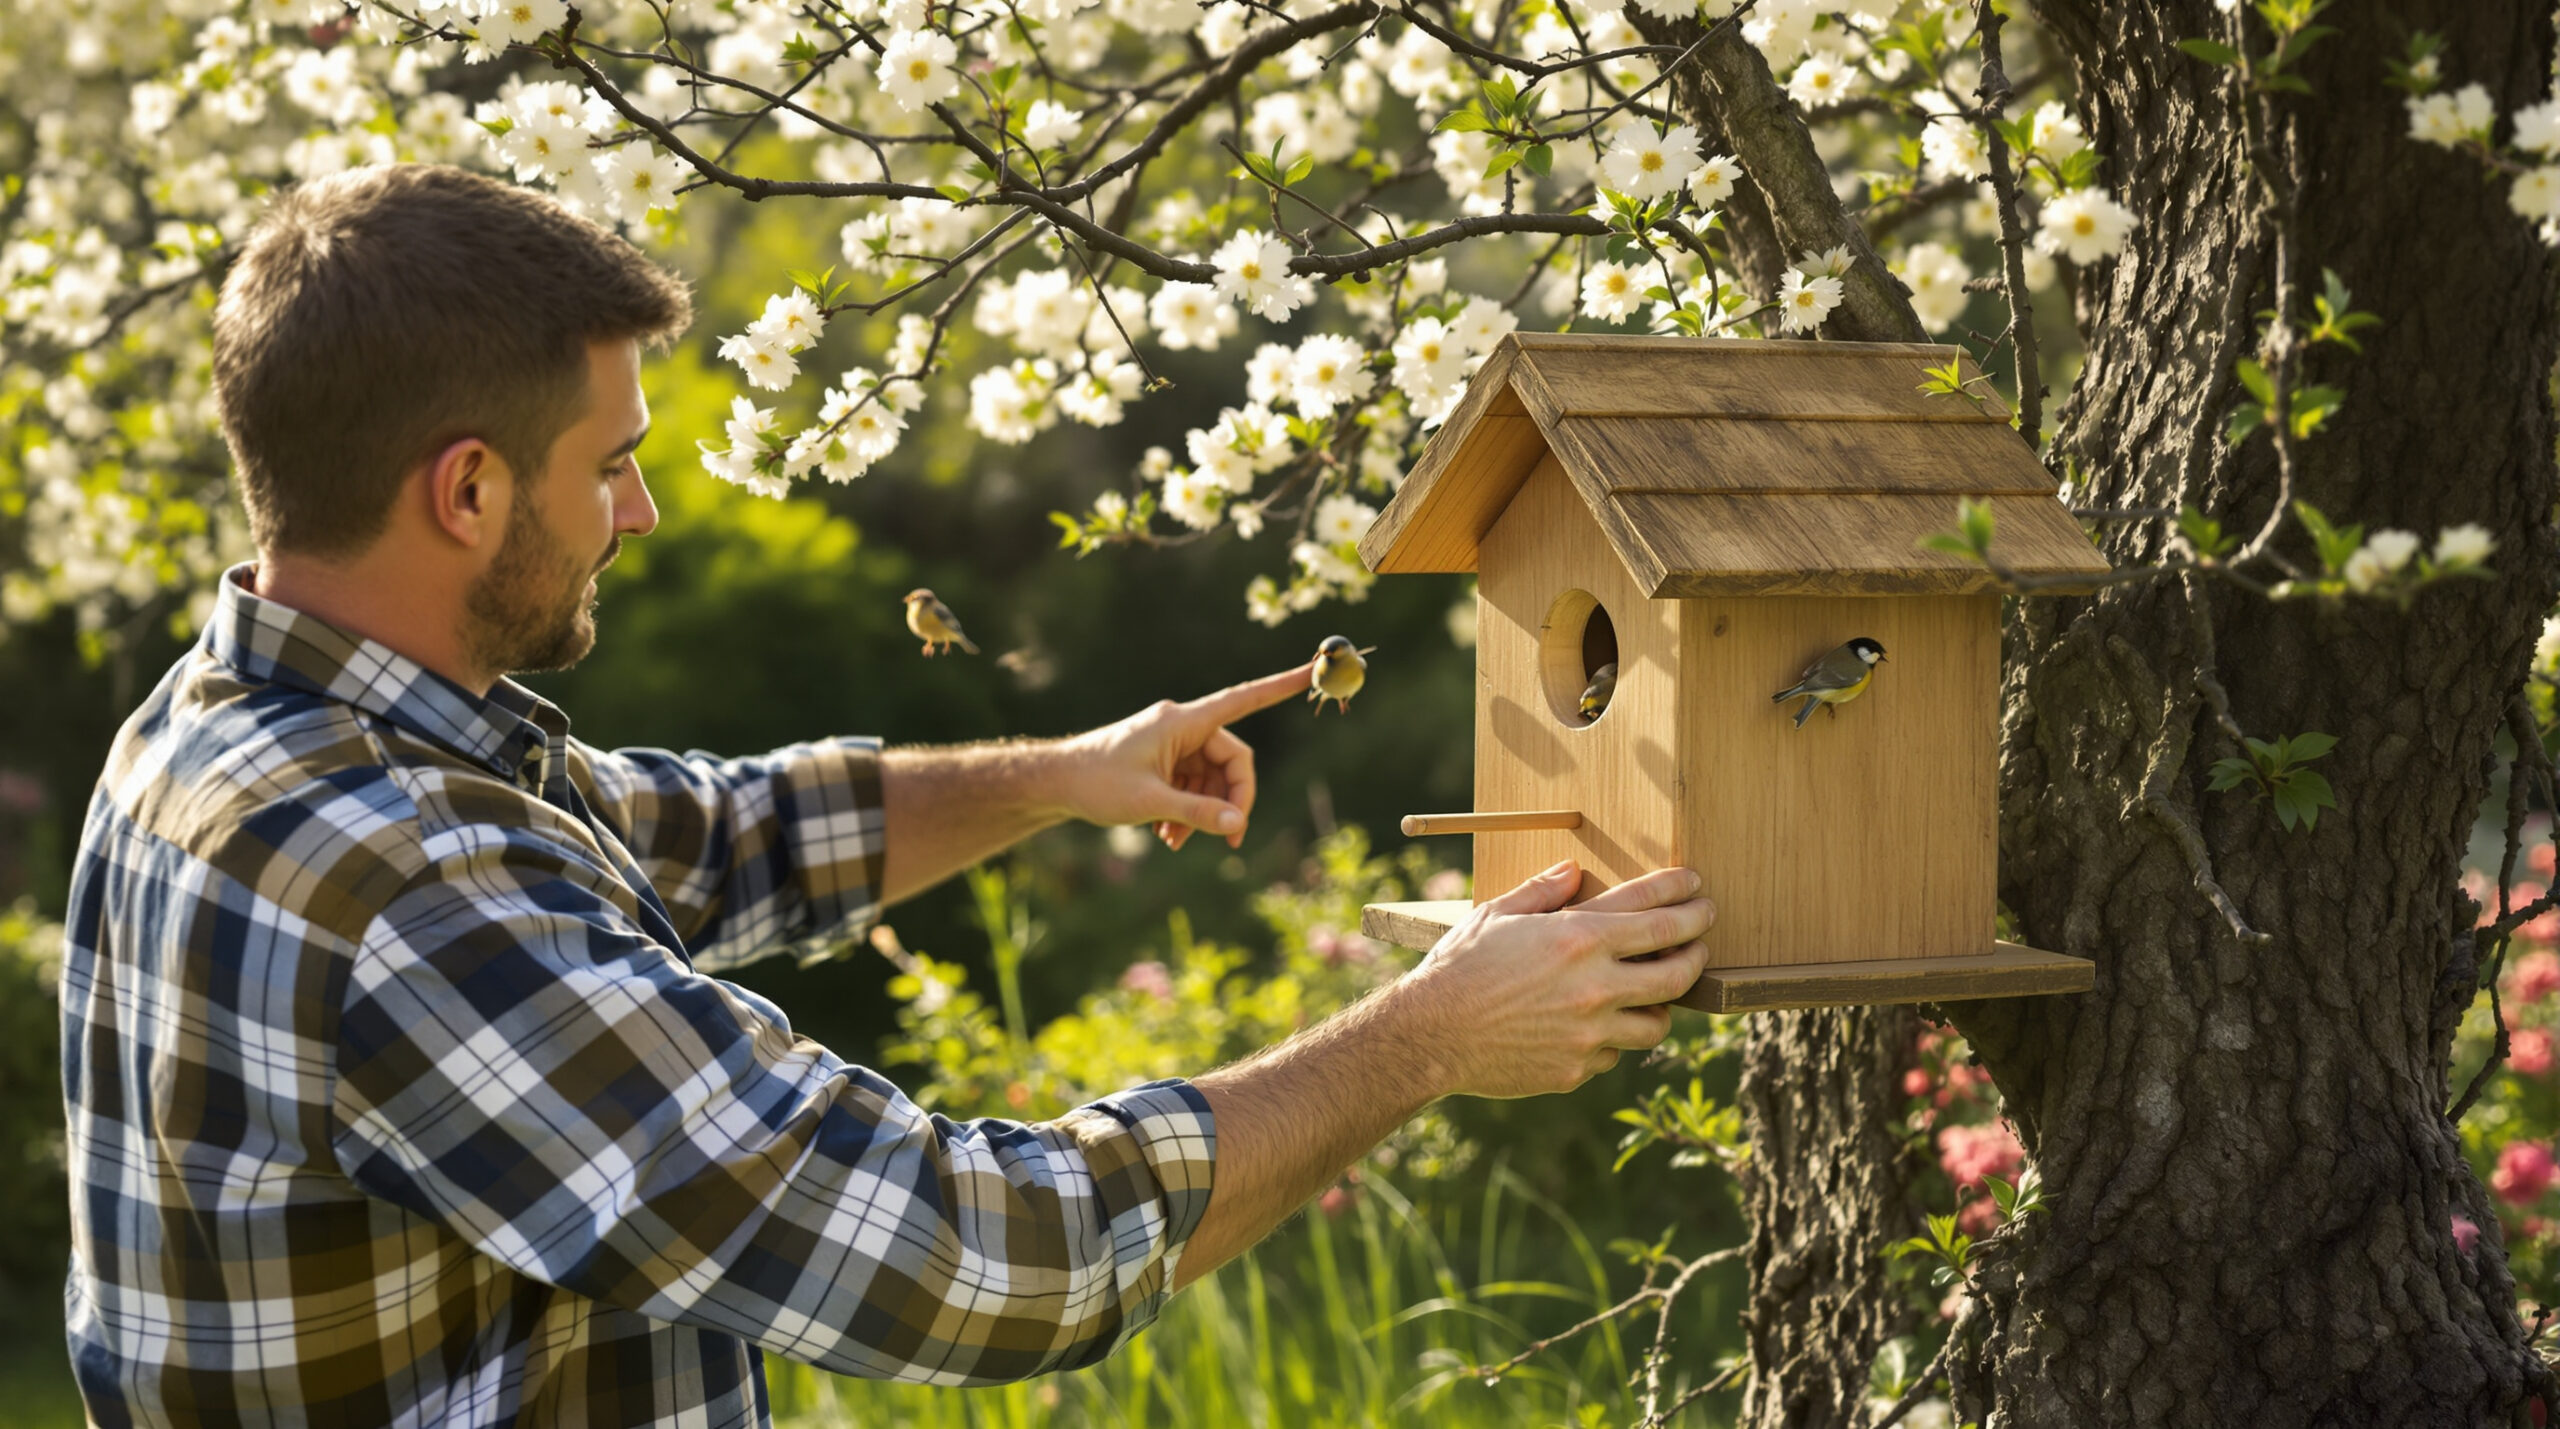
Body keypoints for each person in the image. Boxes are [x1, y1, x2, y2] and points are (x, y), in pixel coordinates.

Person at [58, 163, 1716, 1427]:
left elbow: (726, 834)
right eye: (611, 458)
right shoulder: (409, 887)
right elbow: (978, 1254)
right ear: (470, 489)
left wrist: (1064, 775)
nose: (638, 509)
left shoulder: (226, 729)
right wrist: (1428, 1031)